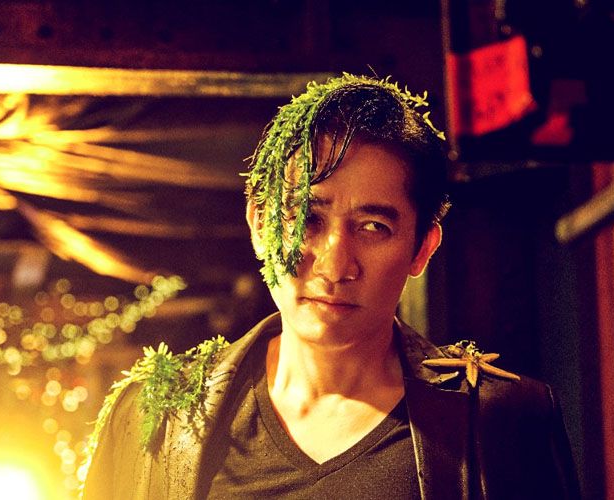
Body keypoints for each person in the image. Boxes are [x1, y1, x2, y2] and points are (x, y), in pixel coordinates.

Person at [81, 74, 581, 499]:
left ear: (422, 249)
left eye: (373, 227)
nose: (336, 264)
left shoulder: (502, 425)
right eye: (308, 220)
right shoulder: (156, 416)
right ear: (261, 225)